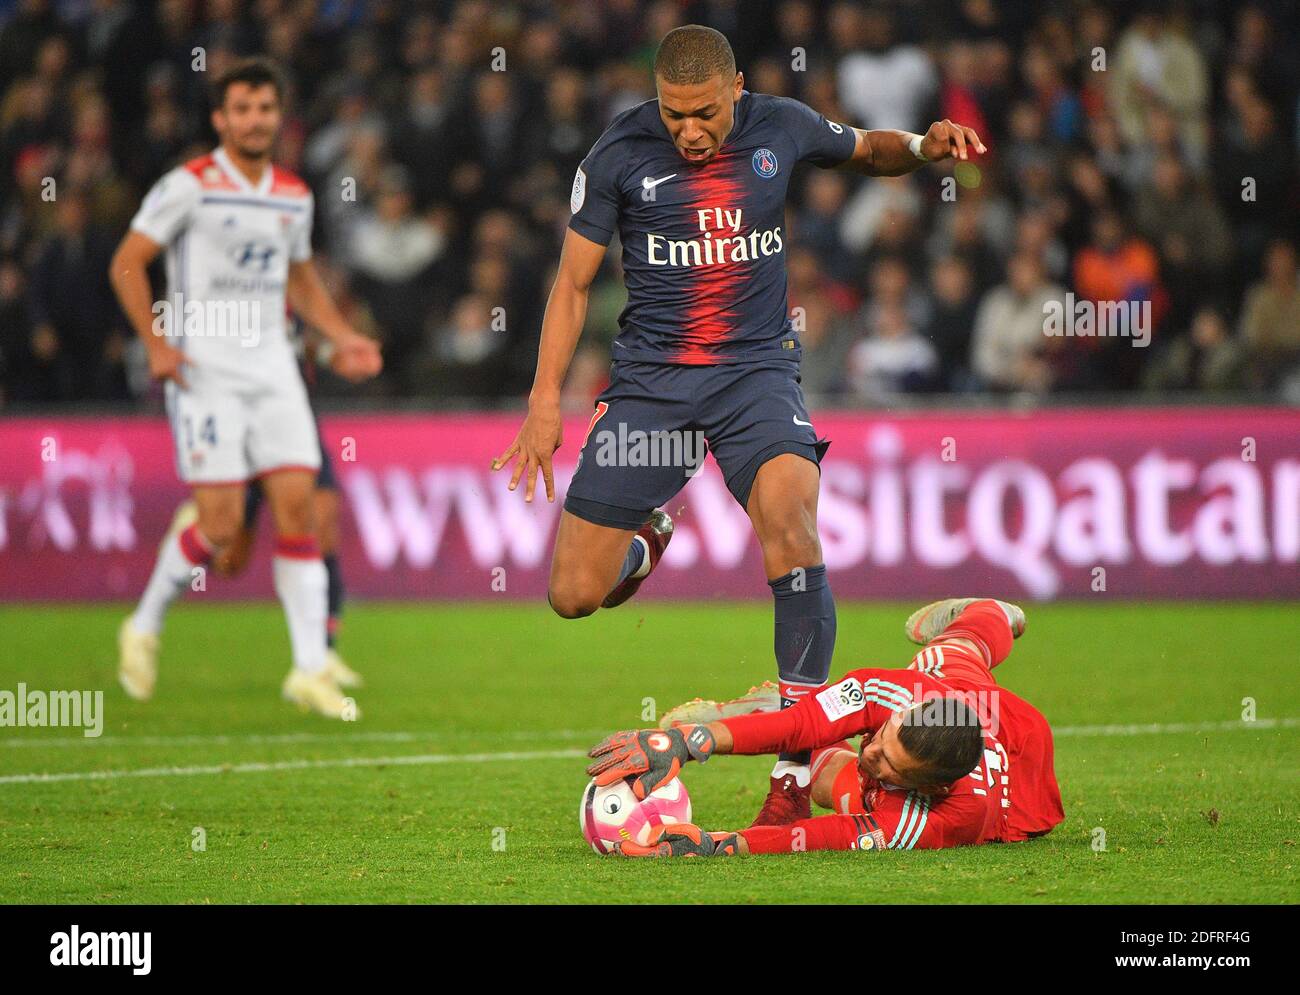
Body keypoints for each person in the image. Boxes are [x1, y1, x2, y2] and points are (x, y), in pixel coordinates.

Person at [492, 24, 986, 826]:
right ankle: (648, 535)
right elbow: (572, 287)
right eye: (673, 114)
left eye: (704, 114)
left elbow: (867, 149)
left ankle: (793, 771)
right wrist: (544, 401)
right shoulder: (615, 155)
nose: (688, 130)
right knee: (574, 595)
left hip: (755, 375)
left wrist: (926, 149)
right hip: (652, 385)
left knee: (791, 522)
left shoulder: (780, 126)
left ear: (735, 94)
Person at [110, 57, 381, 718]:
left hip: (275, 371)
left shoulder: (292, 194)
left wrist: (341, 335)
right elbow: (127, 263)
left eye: (265, 108)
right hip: (207, 375)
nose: (255, 120)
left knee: (301, 513)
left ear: (277, 116)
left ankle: (310, 668)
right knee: (222, 528)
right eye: (242, 109)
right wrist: (156, 345)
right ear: (220, 119)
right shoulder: (189, 186)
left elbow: (301, 280)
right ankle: (143, 623)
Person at [587, 598, 1065, 856]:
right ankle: (996, 609)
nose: (872, 753)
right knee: (956, 650)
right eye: (882, 737)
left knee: (826, 784)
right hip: (979, 704)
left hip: (1022, 774)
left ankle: (765, 710)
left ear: (932, 787)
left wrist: (719, 843)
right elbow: (800, 726)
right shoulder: (899, 694)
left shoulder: (936, 819)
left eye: (891, 765)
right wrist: (688, 742)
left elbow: (826, 835)